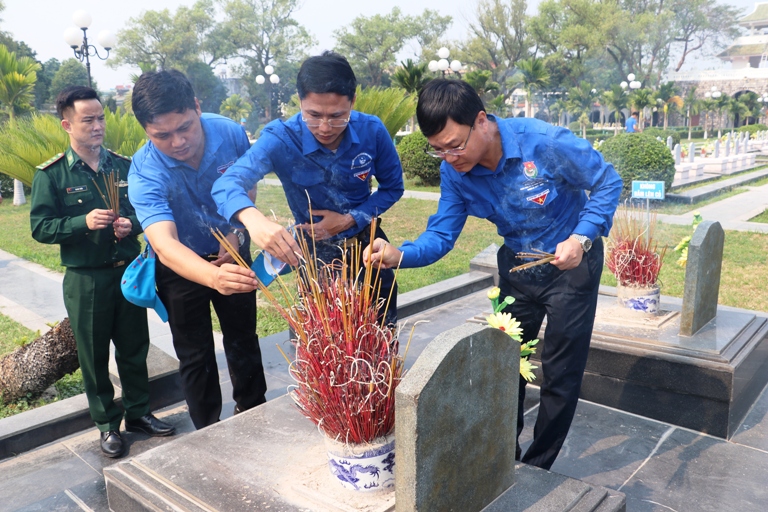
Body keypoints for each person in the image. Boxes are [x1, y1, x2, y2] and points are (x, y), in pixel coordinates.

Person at [365, 79, 622, 470]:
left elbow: (607, 181)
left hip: (571, 265)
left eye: (455, 145)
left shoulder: (545, 143)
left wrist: (581, 237)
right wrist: (400, 254)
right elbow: (442, 233)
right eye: (438, 149)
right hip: (518, 267)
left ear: (481, 121)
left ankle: (538, 466)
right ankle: (504, 456)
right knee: (505, 364)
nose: (449, 158)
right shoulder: (455, 172)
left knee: (560, 371)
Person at [30, 86, 175, 459]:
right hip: (87, 279)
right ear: (67, 125)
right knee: (94, 356)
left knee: (134, 348)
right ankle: (108, 425)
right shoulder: (52, 174)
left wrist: (132, 224)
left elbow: (146, 210)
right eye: (88, 120)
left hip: (127, 274)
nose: (98, 126)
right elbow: (40, 227)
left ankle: (139, 413)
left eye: (101, 118)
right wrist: (82, 221)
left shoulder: (123, 166)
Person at [212, 51, 404, 325]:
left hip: (368, 250)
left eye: (337, 116)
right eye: (313, 115)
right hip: (315, 259)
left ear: (352, 101)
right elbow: (227, 183)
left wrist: (350, 219)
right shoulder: (281, 138)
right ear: (300, 101)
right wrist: (254, 220)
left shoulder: (372, 131)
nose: (325, 127)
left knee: (380, 332)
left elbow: (393, 188)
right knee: (325, 339)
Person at [128, 70, 268, 429]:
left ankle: (254, 412)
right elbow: (164, 243)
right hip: (181, 265)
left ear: (196, 106)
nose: (178, 142)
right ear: (145, 130)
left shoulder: (230, 133)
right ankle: (206, 430)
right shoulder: (144, 171)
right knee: (194, 353)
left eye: (185, 128)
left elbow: (247, 187)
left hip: (232, 249)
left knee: (243, 337)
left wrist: (236, 231)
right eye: (162, 135)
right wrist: (213, 277)